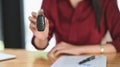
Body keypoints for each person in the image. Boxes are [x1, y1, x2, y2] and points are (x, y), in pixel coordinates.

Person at [29, 0, 120, 57]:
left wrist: (79, 49)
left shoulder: (107, 2)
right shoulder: (51, 2)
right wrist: (41, 38)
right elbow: (41, 45)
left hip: (92, 61)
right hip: (61, 61)